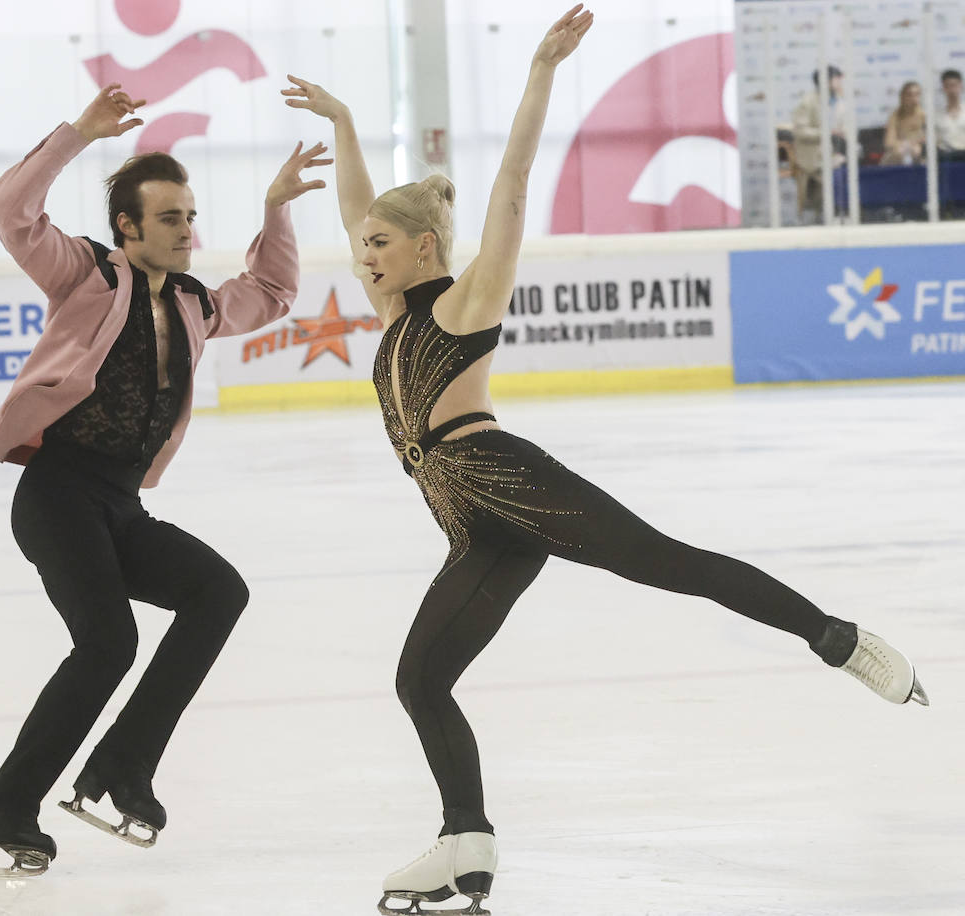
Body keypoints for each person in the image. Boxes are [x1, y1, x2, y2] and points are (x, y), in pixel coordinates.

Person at [284, 5, 927, 914]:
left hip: (512, 482)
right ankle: (464, 840)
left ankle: (840, 640)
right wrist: (347, 122)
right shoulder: (391, 312)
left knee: (674, 565)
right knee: (421, 677)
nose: (363, 256)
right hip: (472, 525)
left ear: (423, 249)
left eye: (379, 246)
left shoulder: (460, 306)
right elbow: (360, 208)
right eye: (361, 248)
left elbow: (509, 188)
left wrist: (541, 73)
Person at [0, 83, 329, 877]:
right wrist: (78, 136)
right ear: (128, 226)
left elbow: (270, 292)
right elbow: (10, 214)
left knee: (218, 590)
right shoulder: (87, 274)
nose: (188, 231)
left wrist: (275, 209)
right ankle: (7, 810)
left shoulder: (194, 302)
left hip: (120, 504)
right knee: (108, 642)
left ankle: (123, 766)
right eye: (170, 218)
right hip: (56, 494)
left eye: (191, 216)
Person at [791, 65, 848, 217]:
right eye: (837, 79)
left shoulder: (840, 101)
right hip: (814, 155)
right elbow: (800, 131)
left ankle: (845, 212)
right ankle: (834, 212)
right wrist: (826, 133)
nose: (841, 83)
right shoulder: (808, 102)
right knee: (837, 172)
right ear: (827, 81)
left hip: (836, 152)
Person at [880, 81, 926, 166]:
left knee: (917, 151)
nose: (913, 98)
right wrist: (907, 145)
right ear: (902, 96)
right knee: (900, 152)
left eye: (917, 94)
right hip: (899, 151)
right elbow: (889, 142)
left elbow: (929, 139)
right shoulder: (895, 116)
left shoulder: (924, 116)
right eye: (909, 95)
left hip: (919, 152)